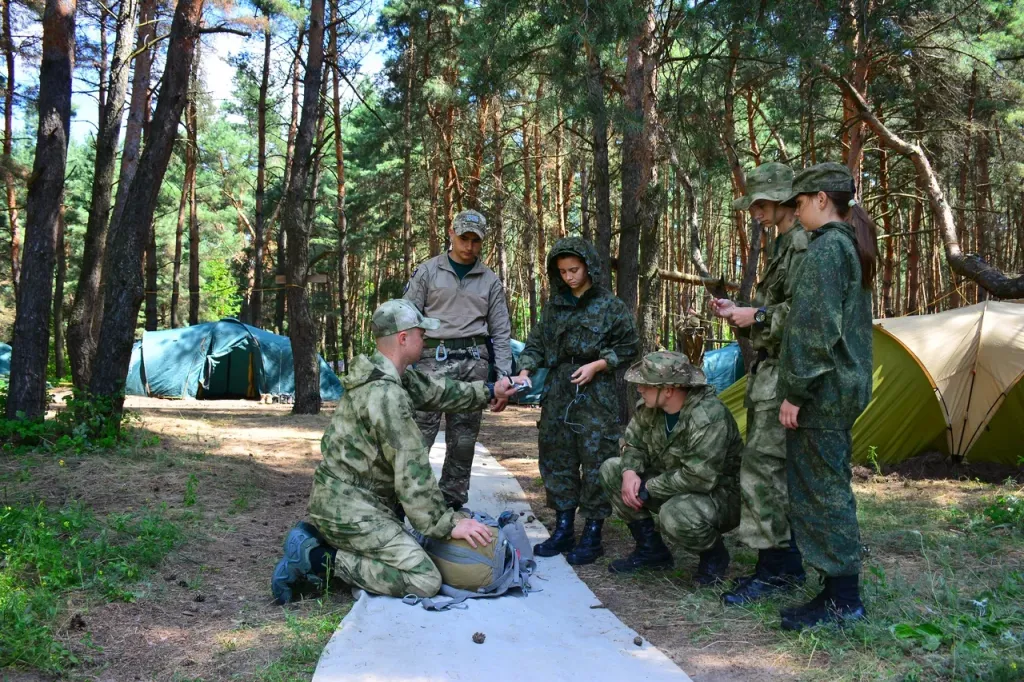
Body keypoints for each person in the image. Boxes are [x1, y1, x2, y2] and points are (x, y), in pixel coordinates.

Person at [270, 299, 516, 603]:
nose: (425, 338)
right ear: (403, 338)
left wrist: (490, 391)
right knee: (424, 579)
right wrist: (449, 522)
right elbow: (413, 473)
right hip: (351, 508)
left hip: (344, 501)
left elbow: (439, 391)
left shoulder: (389, 376)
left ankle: (317, 536)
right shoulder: (386, 396)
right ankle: (320, 561)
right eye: (420, 333)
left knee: (407, 549)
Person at [776, 162, 877, 630]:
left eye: (798, 203)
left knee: (824, 492)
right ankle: (835, 591)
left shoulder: (827, 251)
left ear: (821, 199)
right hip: (837, 387)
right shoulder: (845, 246)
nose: (795, 214)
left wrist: (795, 392)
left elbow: (816, 331)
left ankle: (843, 599)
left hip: (822, 392)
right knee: (826, 487)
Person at [709, 162, 809, 606]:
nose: (754, 212)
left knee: (763, 471)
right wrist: (744, 311)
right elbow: (779, 309)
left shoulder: (803, 245)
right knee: (766, 469)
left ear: (783, 200)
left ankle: (777, 568)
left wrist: (759, 316)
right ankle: (781, 562)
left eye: (760, 204)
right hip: (769, 373)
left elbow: (808, 316)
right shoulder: (784, 244)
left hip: (785, 373)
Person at [514, 237, 639, 565]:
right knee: (557, 455)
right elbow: (537, 342)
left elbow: (630, 346)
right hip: (558, 388)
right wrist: (525, 369)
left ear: (589, 267)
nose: (569, 276)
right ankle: (564, 526)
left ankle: (593, 532)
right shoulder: (555, 306)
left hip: (596, 392)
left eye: (575, 269)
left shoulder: (611, 306)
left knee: (597, 458)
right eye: (563, 271)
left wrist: (599, 364)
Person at [599, 351, 742, 585]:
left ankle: (714, 556)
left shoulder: (707, 417)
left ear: (668, 390)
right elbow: (633, 443)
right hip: (671, 484)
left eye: (646, 384)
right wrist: (629, 472)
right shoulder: (650, 408)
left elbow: (699, 478)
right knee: (611, 469)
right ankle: (651, 550)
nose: (639, 389)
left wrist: (648, 487)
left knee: (675, 514)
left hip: (719, 495)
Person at [403, 209, 514, 512]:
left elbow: (501, 332)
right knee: (417, 437)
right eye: (463, 238)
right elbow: (406, 318)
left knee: (463, 442)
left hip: (473, 364)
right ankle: (403, 502)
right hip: (430, 363)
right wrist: (401, 364)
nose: (469, 246)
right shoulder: (427, 272)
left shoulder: (490, 281)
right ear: (451, 234)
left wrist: (503, 377)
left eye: (475, 241)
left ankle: (451, 503)